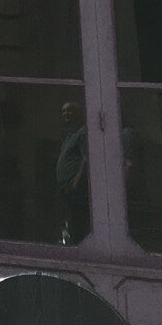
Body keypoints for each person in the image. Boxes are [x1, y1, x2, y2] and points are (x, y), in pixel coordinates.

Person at [55, 99, 91, 244]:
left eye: (69, 110)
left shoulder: (83, 132)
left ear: (78, 113)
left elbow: (86, 158)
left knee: (77, 223)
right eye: (63, 111)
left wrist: (77, 181)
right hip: (65, 188)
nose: (66, 114)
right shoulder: (69, 136)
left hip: (76, 188)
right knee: (67, 221)